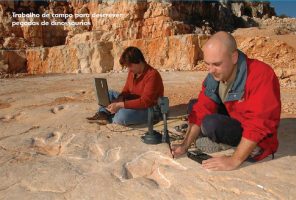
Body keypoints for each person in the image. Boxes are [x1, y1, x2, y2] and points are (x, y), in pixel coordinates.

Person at [171, 31, 281, 171]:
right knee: (194, 105)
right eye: (207, 64)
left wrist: (234, 160)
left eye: (216, 64)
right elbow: (202, 108)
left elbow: (258, 123)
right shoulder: (215, 75)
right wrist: (184, 145)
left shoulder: (261, 74)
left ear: (234, 57)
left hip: (260, 137)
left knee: (210, 124)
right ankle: (220, 140)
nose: (210, 70)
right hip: (235, 116)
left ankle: (249, 148)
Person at [87, 46, 164, 126]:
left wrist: (120, 105)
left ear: (139, 61)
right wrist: (119, 99)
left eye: (130, 66)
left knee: (123, 116)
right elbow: (126, 89)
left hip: (149, 109)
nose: (129, 69)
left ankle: (111, 117)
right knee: (108, 94)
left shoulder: (152, 75)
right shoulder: (133, 72)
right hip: (133, 101)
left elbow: (145, 102)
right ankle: (103, 114)